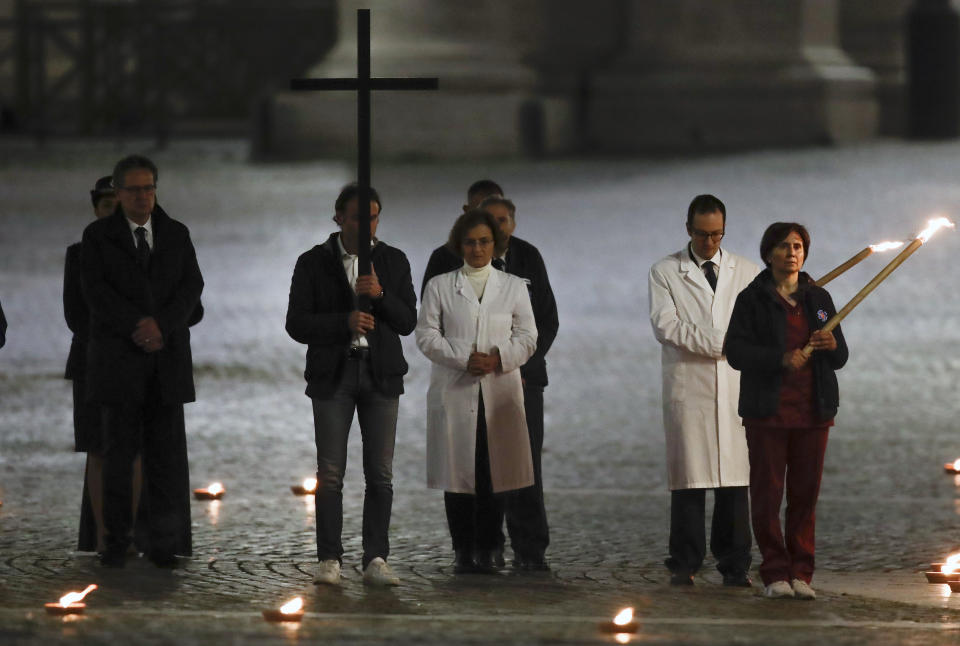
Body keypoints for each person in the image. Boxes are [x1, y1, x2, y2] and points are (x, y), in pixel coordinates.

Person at [285, 183, 416, 587]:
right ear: (339, 217)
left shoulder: (392, 260)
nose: (366, 224)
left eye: (373, 217)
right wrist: (342, 323)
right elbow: (296, 323)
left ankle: (375, 556)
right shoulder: (313, 262)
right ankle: (329, 557)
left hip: (381, 376)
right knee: (330, 472)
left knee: (380, 473)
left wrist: (379, 294)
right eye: (358, 216)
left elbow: (408, 321)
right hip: (333, 376)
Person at [422, 183, 559, 571]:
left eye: (493, 231)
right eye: (474, 238)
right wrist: (467, 359)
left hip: (514, 379)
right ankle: (473, 547)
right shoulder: (441, 272)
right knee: (464, 467)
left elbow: (539, 325)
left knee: (515, 466)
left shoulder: (524, 266)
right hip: (459, 382)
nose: (482, 244)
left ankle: (522, 548)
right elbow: (428, 329)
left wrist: (506, 360)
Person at [80, 155, 203, 568]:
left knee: (164, 459)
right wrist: (138, 326)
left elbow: (192, 288)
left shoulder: (176, 233)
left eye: (149, 188)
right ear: (118, 192)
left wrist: (161, 327)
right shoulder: (98, 237)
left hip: (165, 364)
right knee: (119, 457)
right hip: (119, 363)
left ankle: (164, 543)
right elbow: (96, 294)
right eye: (134, 189)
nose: (143, 197)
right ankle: (116, 540)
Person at [725, 222, 848, 600]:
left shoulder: (819, 300)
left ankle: (801, 573)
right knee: (767, 494)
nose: (792, 252)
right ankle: (774, 571)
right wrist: (780, 360)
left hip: (814, 411)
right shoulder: (753, 299)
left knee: (805, 495)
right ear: (768, 254)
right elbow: (736, 352)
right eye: (783, 246)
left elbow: (841, 355)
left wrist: (829, 343)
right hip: (768, 412)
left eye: (798, 246)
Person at [648, 194, 760, 587]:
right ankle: (685, 560)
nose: (710, 242)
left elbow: (759, 322)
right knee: (690, 481)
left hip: (733, 387)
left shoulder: (746, 271)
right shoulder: (665, 271)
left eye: (717, 235)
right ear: (688, 229)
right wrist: (722, 343)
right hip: (689, 385)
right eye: (702, 234)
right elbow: (667, 326)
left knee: (734, 479)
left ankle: (735, 563)